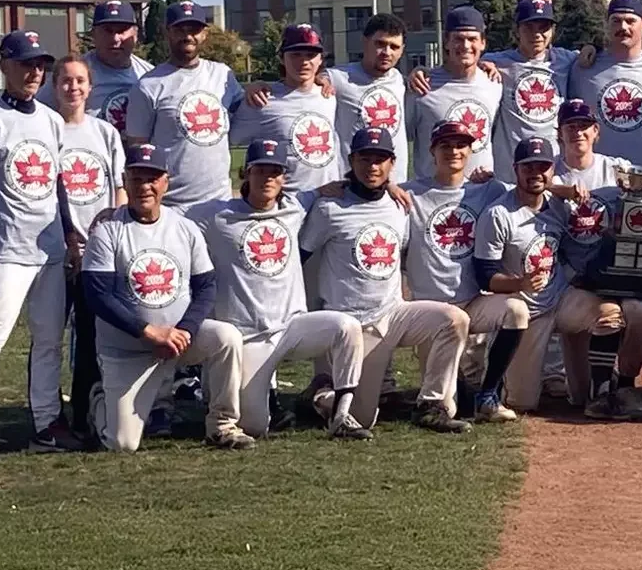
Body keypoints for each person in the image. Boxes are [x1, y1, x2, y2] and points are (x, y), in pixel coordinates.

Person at [185, 140, 370, 439]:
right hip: (248, 336)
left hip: (292, 327)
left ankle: (340, 416)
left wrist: (393, 188)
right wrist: (116, 214)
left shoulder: (295, 206)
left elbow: (348, 186)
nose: (268, 178)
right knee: (254, 426)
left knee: (347, 326)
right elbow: (167, 218)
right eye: (260, 171)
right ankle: (214, 389)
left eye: (275, 172)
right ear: (246, 173)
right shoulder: (215, 215)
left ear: (284, 177)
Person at [0, 30, 75, 461]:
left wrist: (70, 233)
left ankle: (47, 423)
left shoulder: (52, 120)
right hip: (3, 251)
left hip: (49, 250)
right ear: (5, 66)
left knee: (49, 341)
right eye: (25, 64)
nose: (34, 72)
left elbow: (58, 185)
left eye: (40, 65)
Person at [81, 143, 253, 452]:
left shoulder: (184, 228)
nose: (144, 187)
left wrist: (185, 330)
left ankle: (222, 424)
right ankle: (101, 402)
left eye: (152, 179)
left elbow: (206, 286)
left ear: (165, 183)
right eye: (136, 179)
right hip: (127, 349)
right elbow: (97, 295)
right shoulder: (107, 231)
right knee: (122, 444)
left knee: (226, 337)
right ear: (125, 182)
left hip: (178, 340)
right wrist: (149, 332)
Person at [300, 127, 471, 433]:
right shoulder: (330, 208)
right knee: (362, 417)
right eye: (365, 159)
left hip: (393, 313)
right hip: (352, 324)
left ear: (392, 163)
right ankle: (321, 393)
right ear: (351, 161)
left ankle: (431, 405)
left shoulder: (399, 205)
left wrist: (391, 187)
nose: (372, 167)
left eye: (380, 159)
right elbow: (301, 256)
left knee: (454, 320)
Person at [476, 136, 642, 420]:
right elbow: (485, 276)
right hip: (526, 311)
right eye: (528, 166)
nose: (535, 173)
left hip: (560, 298)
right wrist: (519, 283)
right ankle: (492, 381)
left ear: (552, 169)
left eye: (542, 166)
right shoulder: (499, 214)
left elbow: (567, 204)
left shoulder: (557, 204)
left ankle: (600, 393)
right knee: (522, 402)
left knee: (609, 314)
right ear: (515, 169)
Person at [402, 119, 529, 424]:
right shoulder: (410, 194)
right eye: (445, 146)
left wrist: (569, 190)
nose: (454, 151)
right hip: (430, 309)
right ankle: (457, 391)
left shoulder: (488, 190)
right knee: (448, 407)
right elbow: (370, 189)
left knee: (516, 310)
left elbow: (532, 189)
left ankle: (489, 395)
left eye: (461, 145)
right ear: (432, 151)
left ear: (471, 151)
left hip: (472, 301)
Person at [551, 98, 642, 395]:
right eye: (570, 126)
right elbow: (529, 190)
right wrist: (557, 189)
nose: (578, 132)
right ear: (559, 133)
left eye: (584, 126)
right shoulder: (551, 173)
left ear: (596, 132)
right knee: (578, 394)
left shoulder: (616, 169)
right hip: (574, 282)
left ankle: (624, 385)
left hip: (613, 276)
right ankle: (594, 385)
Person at [51, 54, 127, 444]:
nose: (73, 87)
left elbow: (119, 189)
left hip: (97, 254)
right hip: (57, 248)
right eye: (66, 80)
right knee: (49, 336)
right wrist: (68, 240)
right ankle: (48, 413)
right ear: (54, 86)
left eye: (80, 80)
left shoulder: (104, 132)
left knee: (91, 335)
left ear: (90, 86)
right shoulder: (47, 129)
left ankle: (86, 411)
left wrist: (107, 238)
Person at [125, 1, 242, 212]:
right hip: (171, 205)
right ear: (167, 32)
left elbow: (249, 114)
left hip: (219, 202)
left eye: (194, 30)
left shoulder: (223, 75)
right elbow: (137, 149)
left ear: (204, 34)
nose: (187, 36)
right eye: (180, 29)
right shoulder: (148, 85)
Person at [568, 0, 642, 168]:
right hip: (600, 176)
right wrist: (590, 47)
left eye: (630, 21)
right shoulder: (582, 67)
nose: (623, 27)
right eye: (616, 21)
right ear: (607, 24)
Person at [231, 23, 342, 193]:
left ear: (321, 59)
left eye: (311, 55)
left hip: (328, 199)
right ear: (282, 58)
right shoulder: (262, 100)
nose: (304, 62)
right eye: (295, 55)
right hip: (287, 202)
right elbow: (229, 140)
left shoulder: (331, 95)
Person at [484, 0, 577, 181]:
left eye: (543, 28)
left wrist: (591, 49)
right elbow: (462, 66)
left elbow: (594, 58)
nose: (537, 34)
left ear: (553, 31)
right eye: (529, 28)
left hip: (554, 170)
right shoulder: (499, 62)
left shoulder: (566, 60)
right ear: (517, 30)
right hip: (510, 172)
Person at [406, 6, 502, 181]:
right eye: (458, 39)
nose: (465, 46)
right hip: (432, 193)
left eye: (472, 39)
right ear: (446, 42)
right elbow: (399, 138)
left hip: (482, 190)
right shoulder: (421, 86)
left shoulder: (495, 83)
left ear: (483, 43)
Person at [37, 0, 152, 134]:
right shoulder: (75, 73)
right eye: (108, 31)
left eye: (122, 31)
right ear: (94, 34)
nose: (115, 38)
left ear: (135, 35)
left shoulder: (149, 76)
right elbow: (38, 112)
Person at [325, 13, 411, 184]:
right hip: (351, 186)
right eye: (380, 44)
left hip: (395, 187)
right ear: (365, 42)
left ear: (402, 50)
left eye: (394, 47)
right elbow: (301, 84)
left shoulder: (401, 81)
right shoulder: (337, 78)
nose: (387, 52)